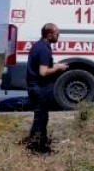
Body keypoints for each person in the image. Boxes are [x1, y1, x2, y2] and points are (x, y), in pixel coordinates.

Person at [24, 23, 68, 154]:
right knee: (41, 118)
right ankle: (37, 149)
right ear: (49, 34)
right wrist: (57, 68)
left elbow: (41, 66)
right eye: (57, 34)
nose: (58, 36)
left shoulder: (38, 46)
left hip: (35, 87)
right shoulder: (44, 49)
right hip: (40, 89)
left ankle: (37, 143)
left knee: (41, 117)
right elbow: (43, 72)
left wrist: (54, 65)